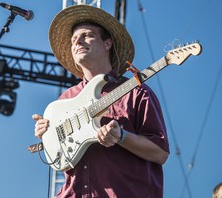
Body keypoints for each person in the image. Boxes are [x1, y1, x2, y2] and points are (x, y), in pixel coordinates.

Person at [32, 4, 169, 197]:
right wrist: (46, 135)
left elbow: (160, 153)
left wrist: (121, 137)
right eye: (73, 39)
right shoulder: (65, 99)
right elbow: (59, 158)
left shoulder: (137, 93)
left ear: (108, 43)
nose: (77, 42)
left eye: (87, 35)